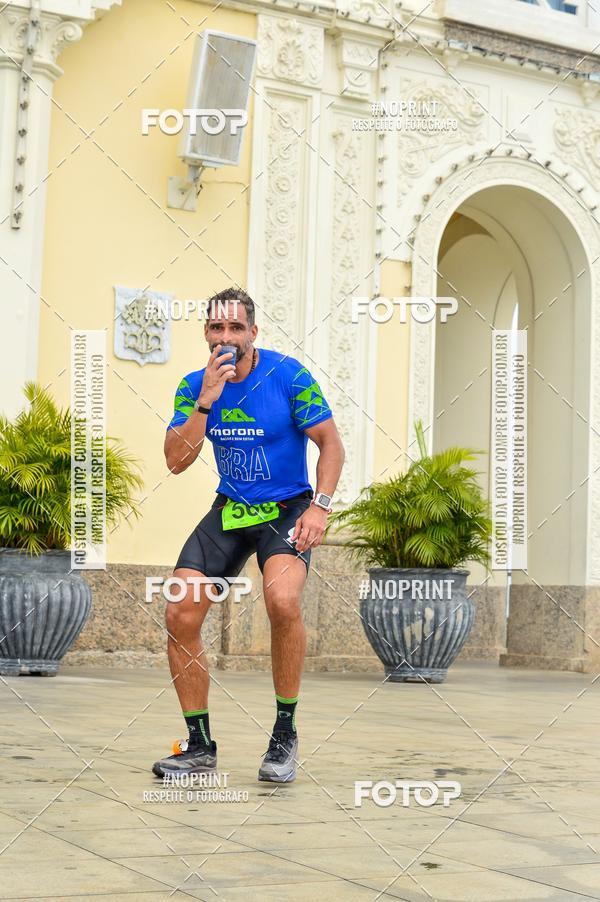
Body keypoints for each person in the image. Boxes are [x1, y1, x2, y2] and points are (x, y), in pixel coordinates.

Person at [153, 287, 345, 783]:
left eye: (235, 328)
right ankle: (198, 747)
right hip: (231, 509)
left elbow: (330, 445)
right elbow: (176, 462)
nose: (226, 337)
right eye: (217, 329)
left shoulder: (289, 376)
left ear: (253, 333)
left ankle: (285, 734)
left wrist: (320, 509)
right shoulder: (195, 386)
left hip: (287, 509)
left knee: (282, 601)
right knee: (180, 610)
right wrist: (206, 402)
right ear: (206, 335)